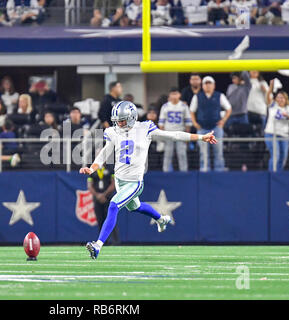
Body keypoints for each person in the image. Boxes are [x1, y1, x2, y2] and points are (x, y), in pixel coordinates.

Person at [80, 101, 217, 259]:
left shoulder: (145, 128)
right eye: (116, 120)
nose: (118, 123)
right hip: (119, 180)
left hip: (134, 182)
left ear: (132, 117)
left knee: (113, 205)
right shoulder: (112, 131)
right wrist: (92, 167)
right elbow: (105, 152)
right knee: (135, 206)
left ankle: (98, 245)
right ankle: (161, 219)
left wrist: (201, 137)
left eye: (122, 120)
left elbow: (174, 135)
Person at [190, 76, 232, 172]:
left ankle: (219, 170)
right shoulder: (197, 96)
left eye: (210, 83)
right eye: (206, 84)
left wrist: (223, 120)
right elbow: (191, 111)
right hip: (202, 128)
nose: (208, 86)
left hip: (216, 128)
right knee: (203, 152)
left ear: (214, 85)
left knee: (218, 151)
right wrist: (195, 123)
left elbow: (229, 108)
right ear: (203, 86)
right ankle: (205, 170)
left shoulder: (219, 95)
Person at [264, 81, 289, 171]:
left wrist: (287, 115)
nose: (280, 99)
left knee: (283, 157)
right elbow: (267, 97)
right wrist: (270, 87)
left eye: (282, 98)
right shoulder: (273, 105)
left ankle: (279, 175)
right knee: (275, 155)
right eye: (278, 97)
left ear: (286, 99)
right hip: (271, 133)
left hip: (284, 135)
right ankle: (272, 176)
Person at [159, 87, 192, 172]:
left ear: (179, 95)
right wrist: (162, 135)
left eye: (176, 94)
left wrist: (187, 135)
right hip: (168, 133)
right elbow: (161, 122)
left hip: (180, 133)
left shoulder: (184, 106)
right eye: (172, 94)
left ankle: (184, 172)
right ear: (169, 95)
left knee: (182, 154)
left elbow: (188, 121)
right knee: (168, 154)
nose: (174, 96)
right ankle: (166, 171)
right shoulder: (165, 106)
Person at [87, 164, 119, 245]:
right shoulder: (92, 169)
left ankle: (115, 241)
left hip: (108, 198)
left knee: (110, 219)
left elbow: (113, 184)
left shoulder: (110, 168)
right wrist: (98, 196)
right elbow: (89, 185)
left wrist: (104, 194)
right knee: (100, 220)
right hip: (97, 199)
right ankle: (102, 242)